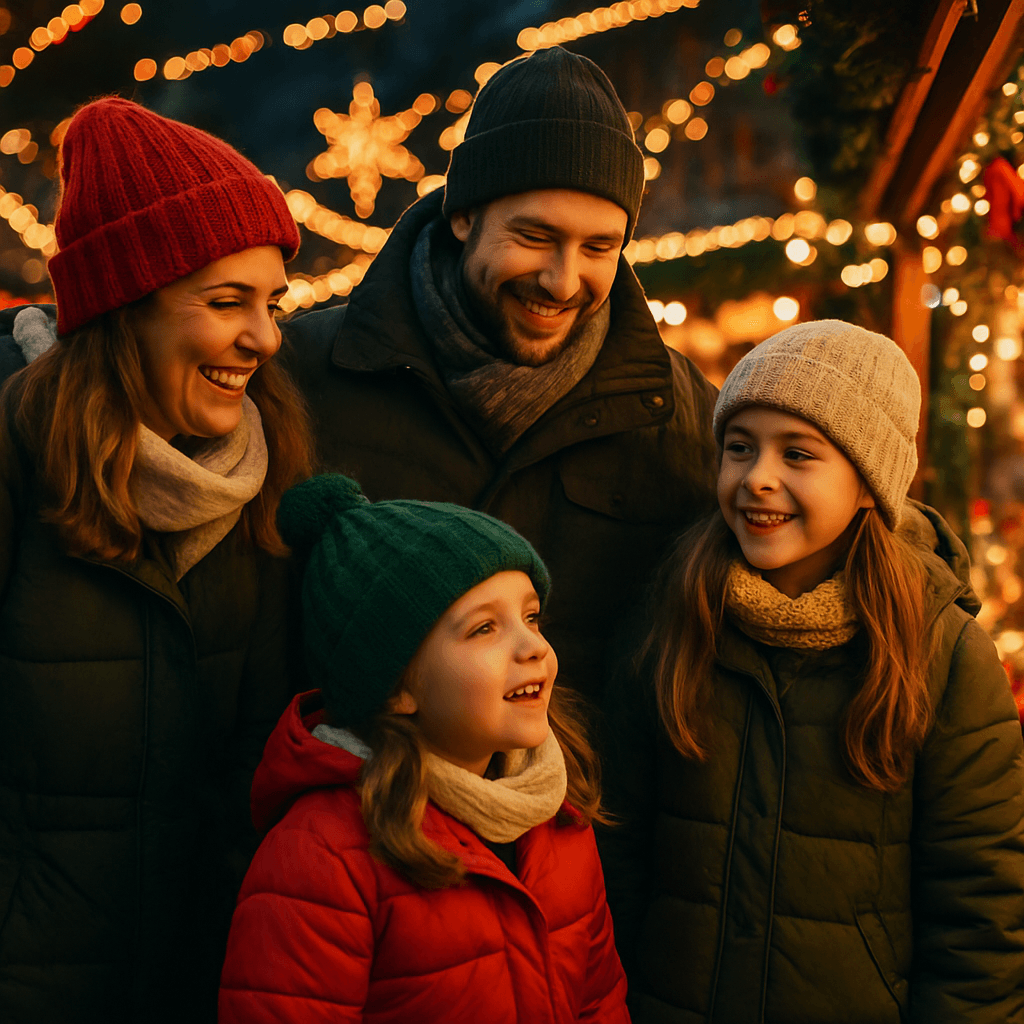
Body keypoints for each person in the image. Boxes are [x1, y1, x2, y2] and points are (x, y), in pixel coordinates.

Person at [599, 320, 1024, 1023]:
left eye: (799, 453)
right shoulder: (671, 618)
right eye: (739, 448)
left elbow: (982, 906)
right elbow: (618, 851)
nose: (757, 476)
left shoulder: (940, 652)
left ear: (869, 485)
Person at [0, 98, 312, 1023]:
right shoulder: (17, 465)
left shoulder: (270, 479)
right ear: (124, 308)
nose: (264, 337)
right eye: (226, 303)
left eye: (272, 302)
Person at [281, 45, 719, 699]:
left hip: (583, 801)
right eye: (536, 237)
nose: (562, 280)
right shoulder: (308, 373)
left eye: (599, 247)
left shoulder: (681, 413)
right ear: (464, 215)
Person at [218, 474, 630, 1023]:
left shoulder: (559, 818)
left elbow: (599, 1002)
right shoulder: (323, 855)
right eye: (484, 628)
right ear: (397, 687)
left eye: (531, 617)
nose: (533, 647)